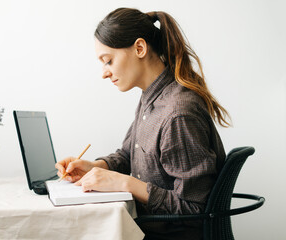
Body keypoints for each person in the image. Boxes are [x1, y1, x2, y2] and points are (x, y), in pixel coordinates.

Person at [55, 7, 231, 240]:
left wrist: (127, 184)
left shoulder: (178, 113)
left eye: (108, 61)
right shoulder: (151, 99)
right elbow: (129, 155)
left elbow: (195, 208)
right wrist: (95, 166)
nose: (104, 73)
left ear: (140, 48)